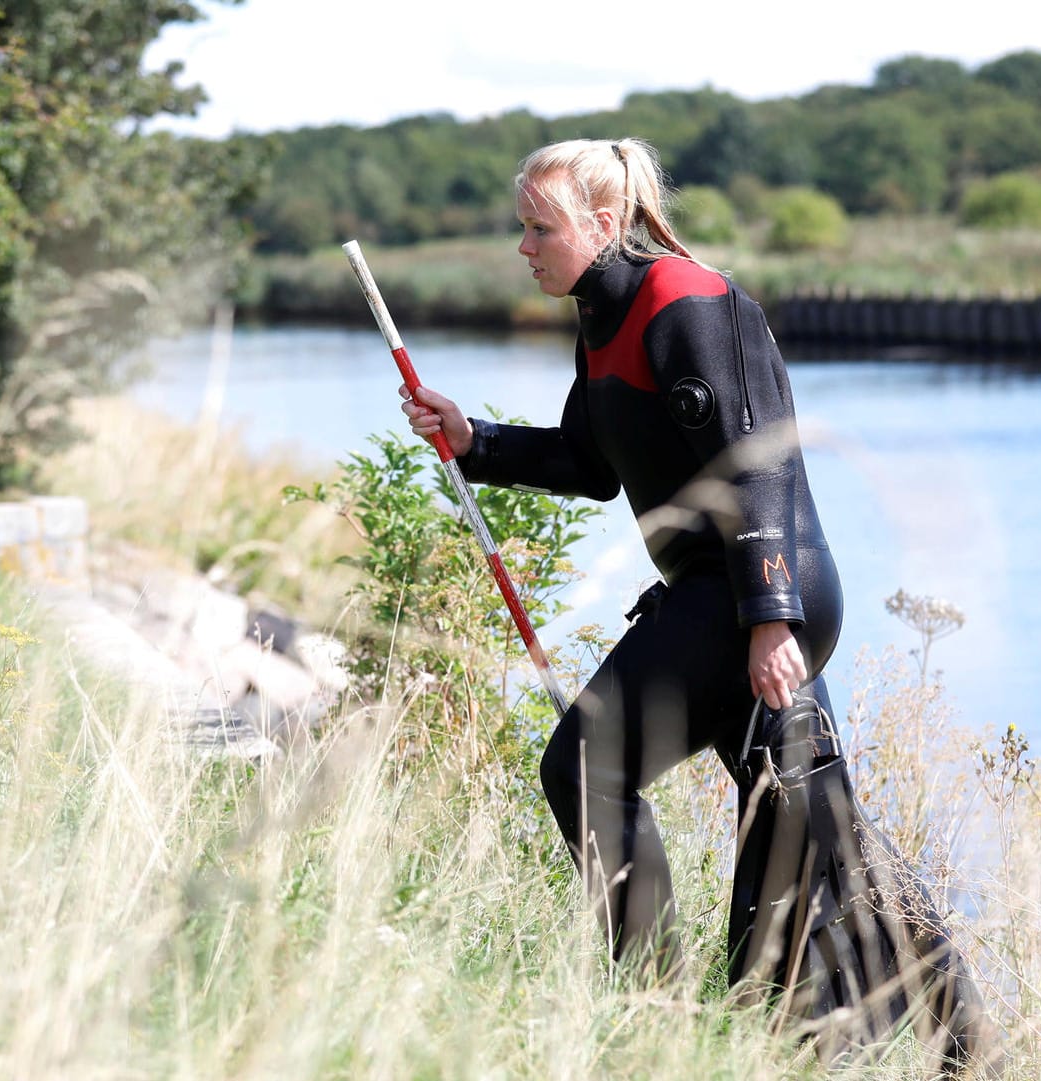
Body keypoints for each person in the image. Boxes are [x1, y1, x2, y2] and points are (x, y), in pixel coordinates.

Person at [400, 138, 985, 1070]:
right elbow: (590, 466)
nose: (524, 245)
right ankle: (969, 1049)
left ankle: (651, 1015)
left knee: (585, 768)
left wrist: (769, 620)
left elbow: (758, 459)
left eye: (538, 227)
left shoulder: (688, 302)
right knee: (821, 832)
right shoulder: (602, 317)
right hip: (736, 602)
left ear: (602, 224)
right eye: (523, 226)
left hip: (757, 594)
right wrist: (475, 440)